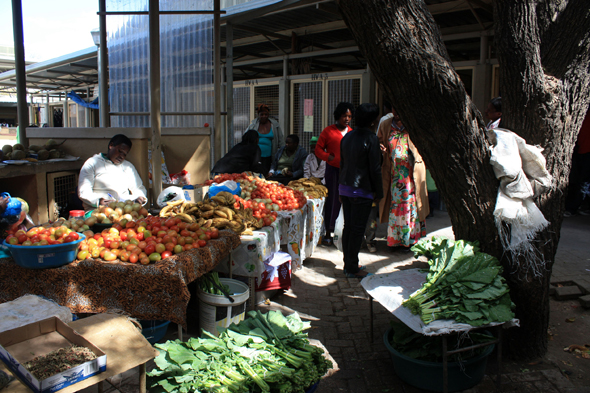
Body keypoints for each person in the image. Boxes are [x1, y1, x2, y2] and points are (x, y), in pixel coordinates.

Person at [339, 103, 383, 278]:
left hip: (346, 188)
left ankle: (348, 263)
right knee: (357, 230)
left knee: (348, 227)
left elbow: (343, 164)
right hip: (361, 190)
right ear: (373, 121)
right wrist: (379, 192)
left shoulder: (347, 137)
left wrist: (341, 190)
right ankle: (352, 268)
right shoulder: (371, 138)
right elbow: (375, 169)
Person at [378, 107, 429, 249]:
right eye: (394, 109)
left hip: (412, 175)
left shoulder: (414, 123)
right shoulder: (386, 124)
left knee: (411, 205)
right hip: (394, 175)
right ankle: (396, 239)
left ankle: (410, 239)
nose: (396, 112)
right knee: (396, 205)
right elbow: (380, 141)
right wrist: (382, 148)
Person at [315, 102, 355, 245]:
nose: (347, 119)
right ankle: (328, 232)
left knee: (345, 200)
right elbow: (318, 149)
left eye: (349, 116)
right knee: (332, 200)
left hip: (348, 172)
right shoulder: (328, 131)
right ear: (338, 116)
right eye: (344, 116)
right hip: (332, 171)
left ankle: (343, 231)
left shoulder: (352, 132)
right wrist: (327, 157)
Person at [78, 134, 147, 211]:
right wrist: (98, 201)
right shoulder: (92, 163)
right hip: (97, 211)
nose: (122, 156)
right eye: (120, 151)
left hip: (123, 210)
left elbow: (138, 187)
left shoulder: (128, 166)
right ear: (111, 145)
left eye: (125, 154)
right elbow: (84, 191)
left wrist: (140, 198)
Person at [565, 106, 590, 216]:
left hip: (586, 151)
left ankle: (572, 207)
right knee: (581, 181)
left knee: (583, 182)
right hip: (581, 149)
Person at [246, 103, 285, 174]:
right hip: (255, 156)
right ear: (258, 115)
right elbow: (246, 137)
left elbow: (281, 141)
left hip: (269, 157)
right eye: (261, 114)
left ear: (268, 115)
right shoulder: (253, 125)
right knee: (256, 175)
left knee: (267, 175)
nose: (264, 116)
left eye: (266, 114)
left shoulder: (275, 125)